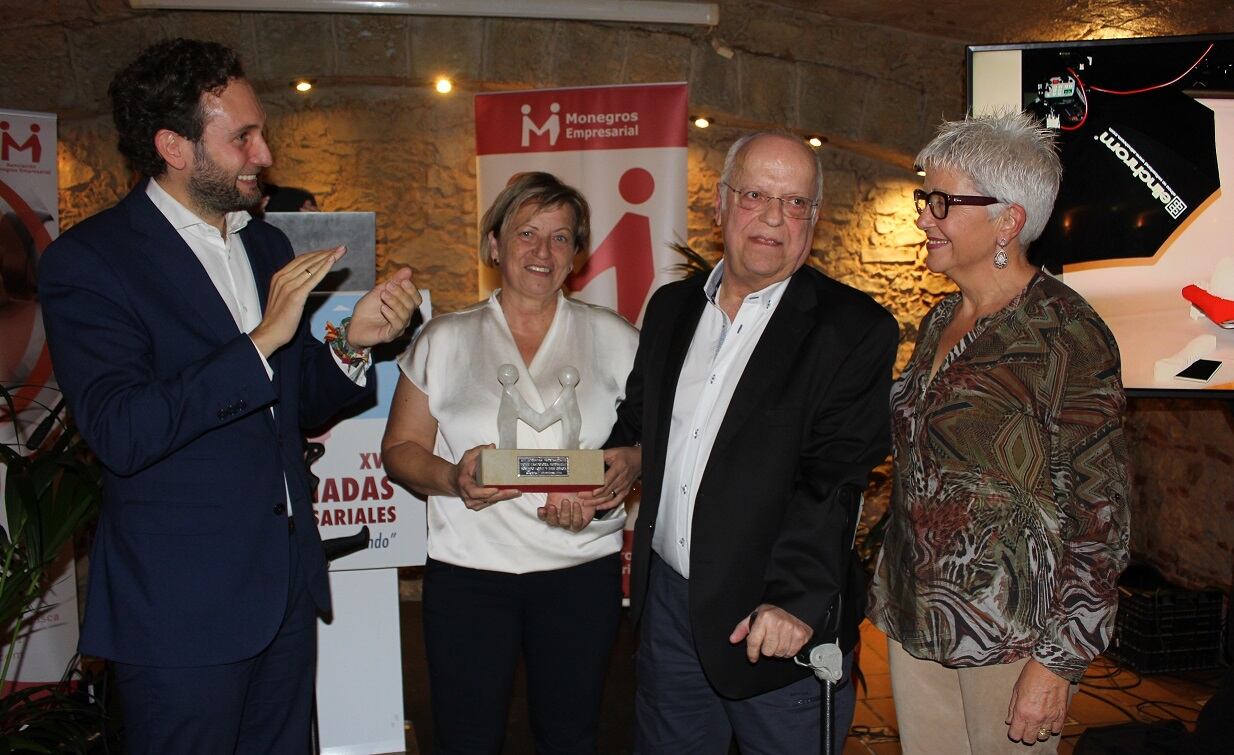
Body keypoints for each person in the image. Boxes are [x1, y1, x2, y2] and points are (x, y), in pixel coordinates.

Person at [37, 38, 421, 751]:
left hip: (281, 594)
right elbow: (123, 429)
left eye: (260, 131)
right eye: (242, 137)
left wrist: (352, 342)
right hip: (180, 614)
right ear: (173, 147)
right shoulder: (89, 262)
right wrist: (261, 339)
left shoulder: (264, 245)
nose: (264, 154)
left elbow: (291, 405)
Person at [569, 132, 898, 753]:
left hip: (772, 619)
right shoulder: (671, 308)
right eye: (756, 195)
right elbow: (640, 417)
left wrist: (794, 601)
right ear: (721, 204)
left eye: (796, 203)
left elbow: (832, 479)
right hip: (669, 605)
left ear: (814, 219)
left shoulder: (854, 329)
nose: (775, 217)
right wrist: (625, 456)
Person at [866, 111, 1131, 754]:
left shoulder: (1065, 334)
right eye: (925, 198)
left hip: (1013, 636)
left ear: (1008, 220)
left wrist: (1059, 659)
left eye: (942, 202)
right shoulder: (939, 319)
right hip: (918, 620)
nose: (925, 217)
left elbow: (1101, 512)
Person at [380, 171, 639, 753]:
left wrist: (631, 462)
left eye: (559, 237)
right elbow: (399, 450)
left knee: (570, 737)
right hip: (469, 575)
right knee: (466, 738)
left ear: (577, 254)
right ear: (494, 243)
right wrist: (452, 477)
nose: (541, 251)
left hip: (579, 573)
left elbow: (653, 439)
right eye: (526, 232)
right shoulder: (443, 338)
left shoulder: (618, 338)